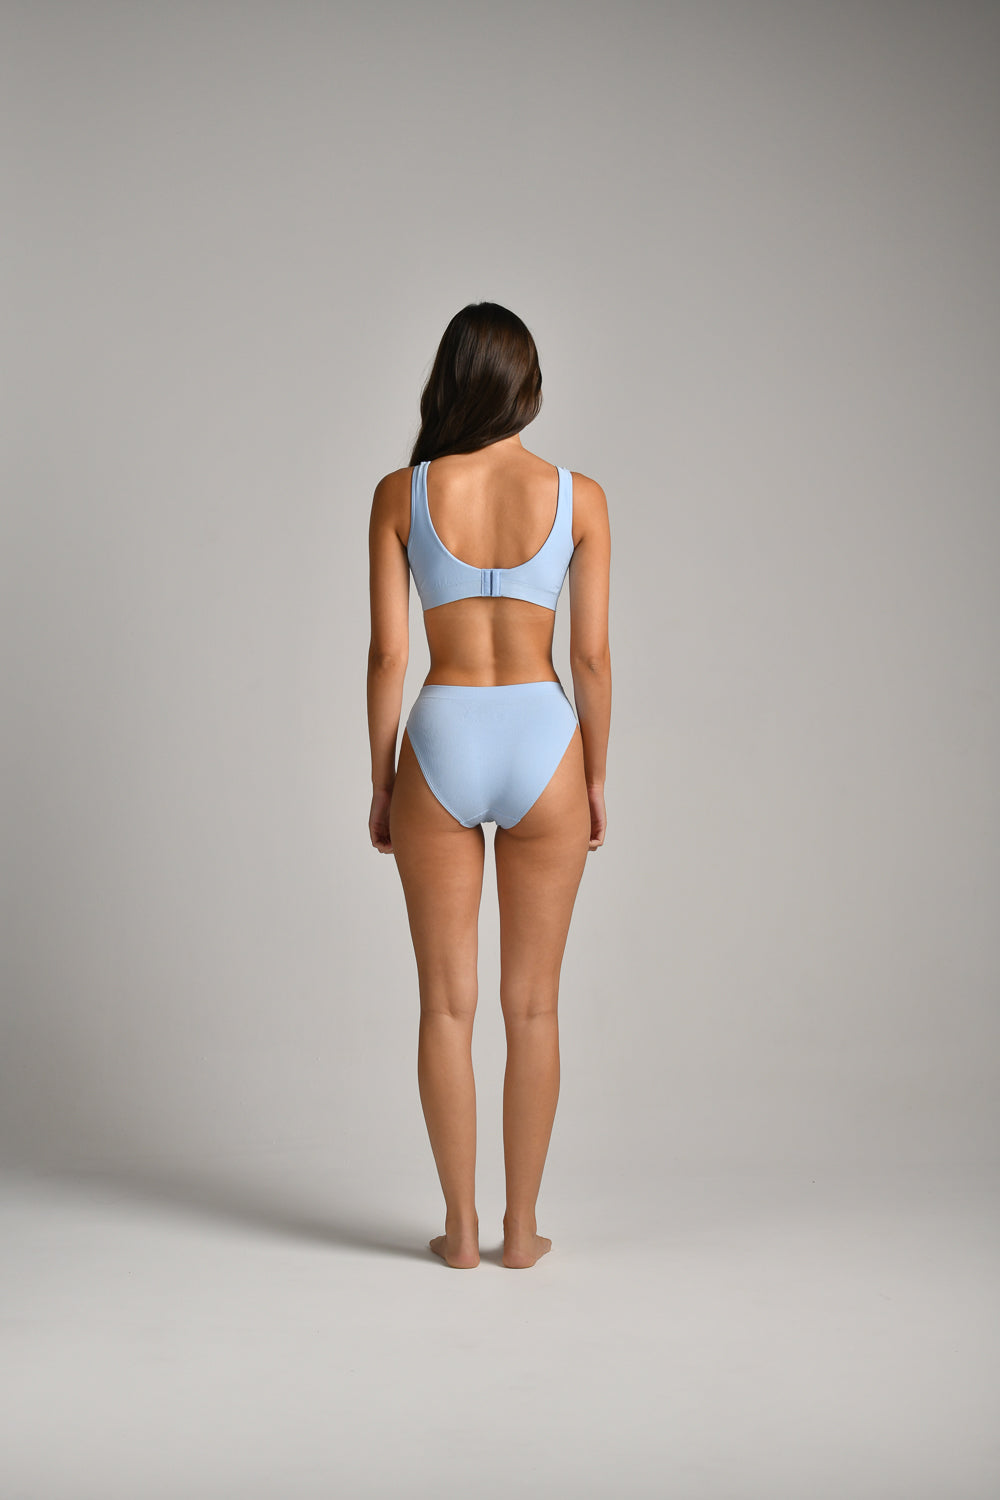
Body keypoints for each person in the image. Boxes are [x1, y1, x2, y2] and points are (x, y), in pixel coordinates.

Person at [366, 302, 611, 1270]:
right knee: (533, 1007)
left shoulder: (403, 492)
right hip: (544, 738)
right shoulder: (579, 496)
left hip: (441, 733)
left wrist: (381, 779)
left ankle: (459, 1233)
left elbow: (389, 654)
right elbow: (589, 658)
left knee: (445, 1006)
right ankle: (522, 1232)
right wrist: (595, 774)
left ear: (449, 378)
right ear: (527, 384)